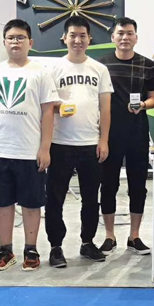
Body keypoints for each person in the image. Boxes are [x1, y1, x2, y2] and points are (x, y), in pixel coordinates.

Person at [0, 19, 59, 271]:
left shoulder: (41, 72)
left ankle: (30, 250)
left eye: (20, 37)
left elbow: (48, 112)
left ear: (30, 42)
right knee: (2, 203)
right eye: (11, 37)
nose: (15, 42)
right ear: (4, 42)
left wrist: (45, 148)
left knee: (31, 204)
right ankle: (6, 250)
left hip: (29, 151)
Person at [45, 16, 113, 268]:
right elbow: (45, 105)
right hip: (59, 143)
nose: (77, 40)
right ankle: (55, 246)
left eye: (82, 35)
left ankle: (87, 242)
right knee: (55, 198)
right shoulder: (53, 69)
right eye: (73, 35)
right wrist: (58, 107)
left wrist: (103, 140)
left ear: (89, 39)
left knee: (90, 198)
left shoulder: (99, 69)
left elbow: (105, 108)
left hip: (90, 143)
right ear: (64, 38)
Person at [98, 17, 154, 256]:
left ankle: (134, 236)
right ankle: (109, 235)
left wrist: (142, 105)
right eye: (120, 33)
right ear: (113, 37)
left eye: (130, 33)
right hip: (109, 133)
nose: (125, 37)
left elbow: (153, 99)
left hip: (137, 132)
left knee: (138, 185)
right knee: (108, 184)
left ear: (136, 37)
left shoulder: (148, 65)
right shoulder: (101, 65)